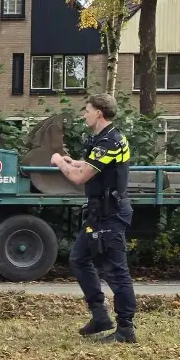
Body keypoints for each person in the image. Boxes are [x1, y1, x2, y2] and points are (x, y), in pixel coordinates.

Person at [50, 93, 137, 343]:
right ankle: (100, 315)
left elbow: (79, 178)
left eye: (87, 110)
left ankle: (126, 329)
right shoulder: (104, 139)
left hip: (111, 215)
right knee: (78, 259)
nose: (84, 114)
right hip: (99, 213)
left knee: (117, 272)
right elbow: (96, 166)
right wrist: (75, 161)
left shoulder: (110, 141)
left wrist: (59, 162)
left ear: (98, 113)